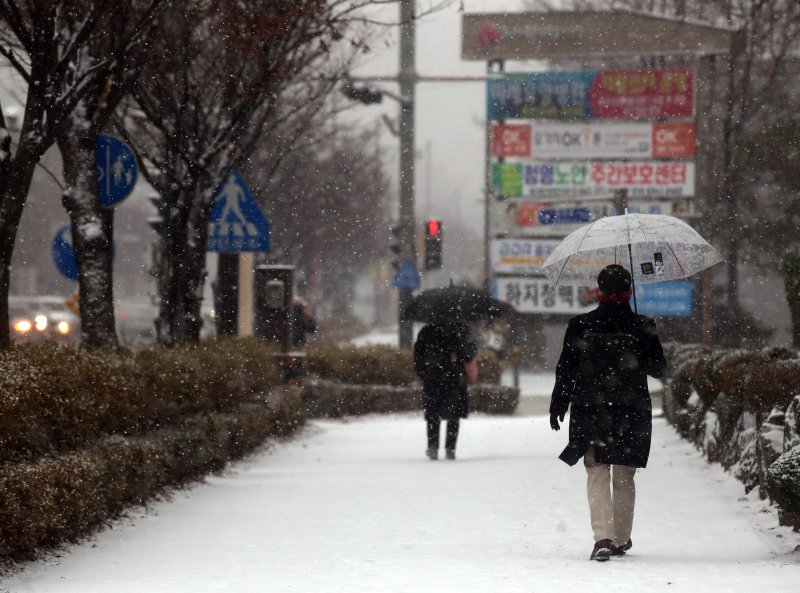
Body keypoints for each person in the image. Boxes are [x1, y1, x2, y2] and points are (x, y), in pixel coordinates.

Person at [549, 264, 666, 562]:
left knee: (597, 471)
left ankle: (602, 537)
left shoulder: (580, 325)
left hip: (592, 408)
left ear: (599, 291)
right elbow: (659, 369)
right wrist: (640, 343)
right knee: (625, 474)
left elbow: (566, 369)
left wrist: (558, 403)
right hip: (632, 409)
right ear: (629, 292)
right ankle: (621, 539)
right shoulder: (642, 325)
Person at [413, 320, 478, 461]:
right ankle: (450, 448)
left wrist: (423, 372)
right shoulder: (462, 331)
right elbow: (469, 354)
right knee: (453, 413)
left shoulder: (426, 331)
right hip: (454, 378)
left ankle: (433, 445)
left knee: (432, 413)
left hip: (433, 378)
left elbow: (418, 355)